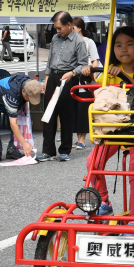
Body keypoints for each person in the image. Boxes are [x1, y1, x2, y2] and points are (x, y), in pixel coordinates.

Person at [82, 26, 134, 221]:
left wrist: (124, 76)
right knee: (93, 162)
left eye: (129, 44)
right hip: (116, 127)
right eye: (118, 45)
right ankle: (104, 202)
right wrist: (90, 74)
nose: (123, 49)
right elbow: (98, 94)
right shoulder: (108, 71)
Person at [36, 11, 88, 162]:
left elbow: (83, 63)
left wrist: (72, 73)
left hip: (68, 79)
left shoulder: (78, 41)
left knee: (66, 115)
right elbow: (50, 59)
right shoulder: (55, 38)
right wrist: (46, 79)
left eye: (59, 28)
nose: (57, 31)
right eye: (56, 28)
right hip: (53, 77)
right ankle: (48, 151)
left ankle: (65, 150)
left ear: (69, 25)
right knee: (49, 114)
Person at [0, 74, 41, 162]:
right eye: (29, 98)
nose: (30, 100)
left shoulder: (29, 83)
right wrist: (24, 143)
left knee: (19, 118)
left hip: (4, 98)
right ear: (23, 91)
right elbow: (13, 124)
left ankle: (12, 149)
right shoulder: (12, 95)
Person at [72, 17, 100, 150]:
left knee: (83, 109)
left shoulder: (89, 42)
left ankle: (82, 140)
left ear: (79, 28)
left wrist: (91, 72)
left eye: (73, 27)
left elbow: (95, 61)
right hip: (72, 79)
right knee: (75, 109)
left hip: (85, 79)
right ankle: (78, 139)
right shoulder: (70, 42)